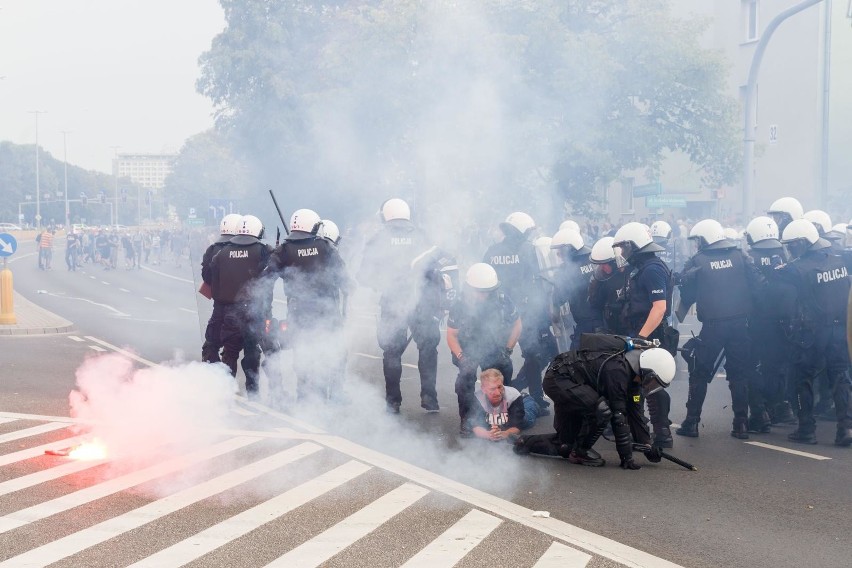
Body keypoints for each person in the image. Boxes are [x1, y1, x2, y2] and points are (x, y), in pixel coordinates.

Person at [675, 219, 763, 439]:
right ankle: (741, 424)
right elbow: (757, 286)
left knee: (698, 371)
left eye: (698, 240)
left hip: (713, 328)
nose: (696, 245)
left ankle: (692, 422)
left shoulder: (698, 261)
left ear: (706, 238)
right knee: (739, 374)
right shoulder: (740, 256)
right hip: (741, 326)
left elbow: (687, 295)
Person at [357, 199, 443, 414]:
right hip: (422, 302)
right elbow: (435, 268)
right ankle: (429, 397)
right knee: (428, 349)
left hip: (392, 302)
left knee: (392, 352)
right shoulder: (423, 236)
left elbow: (364, 275)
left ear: (386, 215)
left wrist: (382, 283)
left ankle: (393, 402)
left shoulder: (378, 238)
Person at [541, 335, 676, 469]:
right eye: (652, 381)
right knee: (602, 410)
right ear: (647, 370)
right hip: (559, 380)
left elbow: (636, 415)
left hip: (573, 383)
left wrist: (648, 447)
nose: (650, 386)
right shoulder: (618, 370)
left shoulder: (635, 376)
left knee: (564, 445)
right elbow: (619, 416)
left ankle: (521, 443)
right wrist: (626, 458)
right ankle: (580, 452)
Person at [775, 219, 852, 446]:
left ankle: (806, 429)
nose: (790, 250)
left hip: (811, 333)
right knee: (840, 377)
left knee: (802, 379)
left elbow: (775, 276)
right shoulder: (840, 260)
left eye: (792, 245)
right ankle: (846, 428)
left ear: (803, 243)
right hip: (839, 330)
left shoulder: (796, 268)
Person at [263, 208, 349, 400]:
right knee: (328, 350)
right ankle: (328, 394)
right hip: (326, 311)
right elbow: (343, 276)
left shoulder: (284, 250)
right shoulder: (325, 246)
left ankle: (304, 396)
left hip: (297, 311)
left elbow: (267, 277)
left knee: (301, 351)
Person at [612, 222, 677, 448]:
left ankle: (662, 432)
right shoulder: (641, 268)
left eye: (624, 247)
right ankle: (641, 432)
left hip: (649, 334)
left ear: (634, 245)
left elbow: (659, 308)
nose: (621, 253)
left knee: (652, 384)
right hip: (639, 332)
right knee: (637, 386)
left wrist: (640, 338)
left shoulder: (652, 269)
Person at [484, 212, 553, 411]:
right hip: (525, 313)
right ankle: (536, 397)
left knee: (497, 357)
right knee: (532, 355)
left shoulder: (492, 251)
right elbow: (539, 281)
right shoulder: (529, 250)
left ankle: (496, 401)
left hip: (498, 314)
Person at [447, 263, 522, 437]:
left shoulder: (503, 300)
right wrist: (461, 357)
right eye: (480, 291)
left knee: (504, 374)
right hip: (468, 348)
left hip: (494, 346)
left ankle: (502, 419)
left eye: (487, 291)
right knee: (464, 380)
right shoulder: (459, 304)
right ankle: (467, 421)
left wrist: (508, 350)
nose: (484, 295)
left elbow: (517, 325)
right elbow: (451, 335)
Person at [742, 216, 797, 427]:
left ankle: (759, 412)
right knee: (777, 366)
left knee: (752, 366)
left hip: (757, 322)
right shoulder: (784, 254)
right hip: (784, 322)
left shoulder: (751, 257)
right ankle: (781, 408)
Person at [209, 215, 272, 395]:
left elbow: (213, 281)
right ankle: (253, 394)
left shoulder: (222, 252)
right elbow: (277, 269)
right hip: (254, 312)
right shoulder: (263, 250)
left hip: (230, 312)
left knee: (229, 354)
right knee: (252, 355)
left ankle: (226, 393)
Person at [200, 214, 243, 365]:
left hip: (219, 305)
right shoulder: (247, 249)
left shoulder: (212, 249)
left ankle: (216, 381)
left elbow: (206, 277)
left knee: (211, 343)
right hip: (244, 305)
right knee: (237, 349)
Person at [550, 228, 601, 350]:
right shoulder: (594, 258)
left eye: (561, 251)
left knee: (574, 360)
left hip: (585, 324)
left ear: (570, 249)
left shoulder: (566, 271)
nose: (558, 254)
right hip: (605, 319)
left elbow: (559, 299)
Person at [469, 368, 540, 442]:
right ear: (483, 389)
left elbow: (517, 426)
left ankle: (532, 402)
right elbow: (474, 425)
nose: (498, 393)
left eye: (500, 387)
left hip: (522, 403)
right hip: (503, 417)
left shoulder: (513, 396)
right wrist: (488, 435)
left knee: (530, 414)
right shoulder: (477, 399)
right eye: (492, 389)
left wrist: (506, 433)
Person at [587, 236, 630, 334]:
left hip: (636, 329)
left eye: (604, 264)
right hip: (614, 328)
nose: (602, 268)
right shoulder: (600, 279)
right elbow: (595, 306)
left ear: (615, 261)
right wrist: (598, 327)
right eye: (599, 264)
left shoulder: (633, 272)